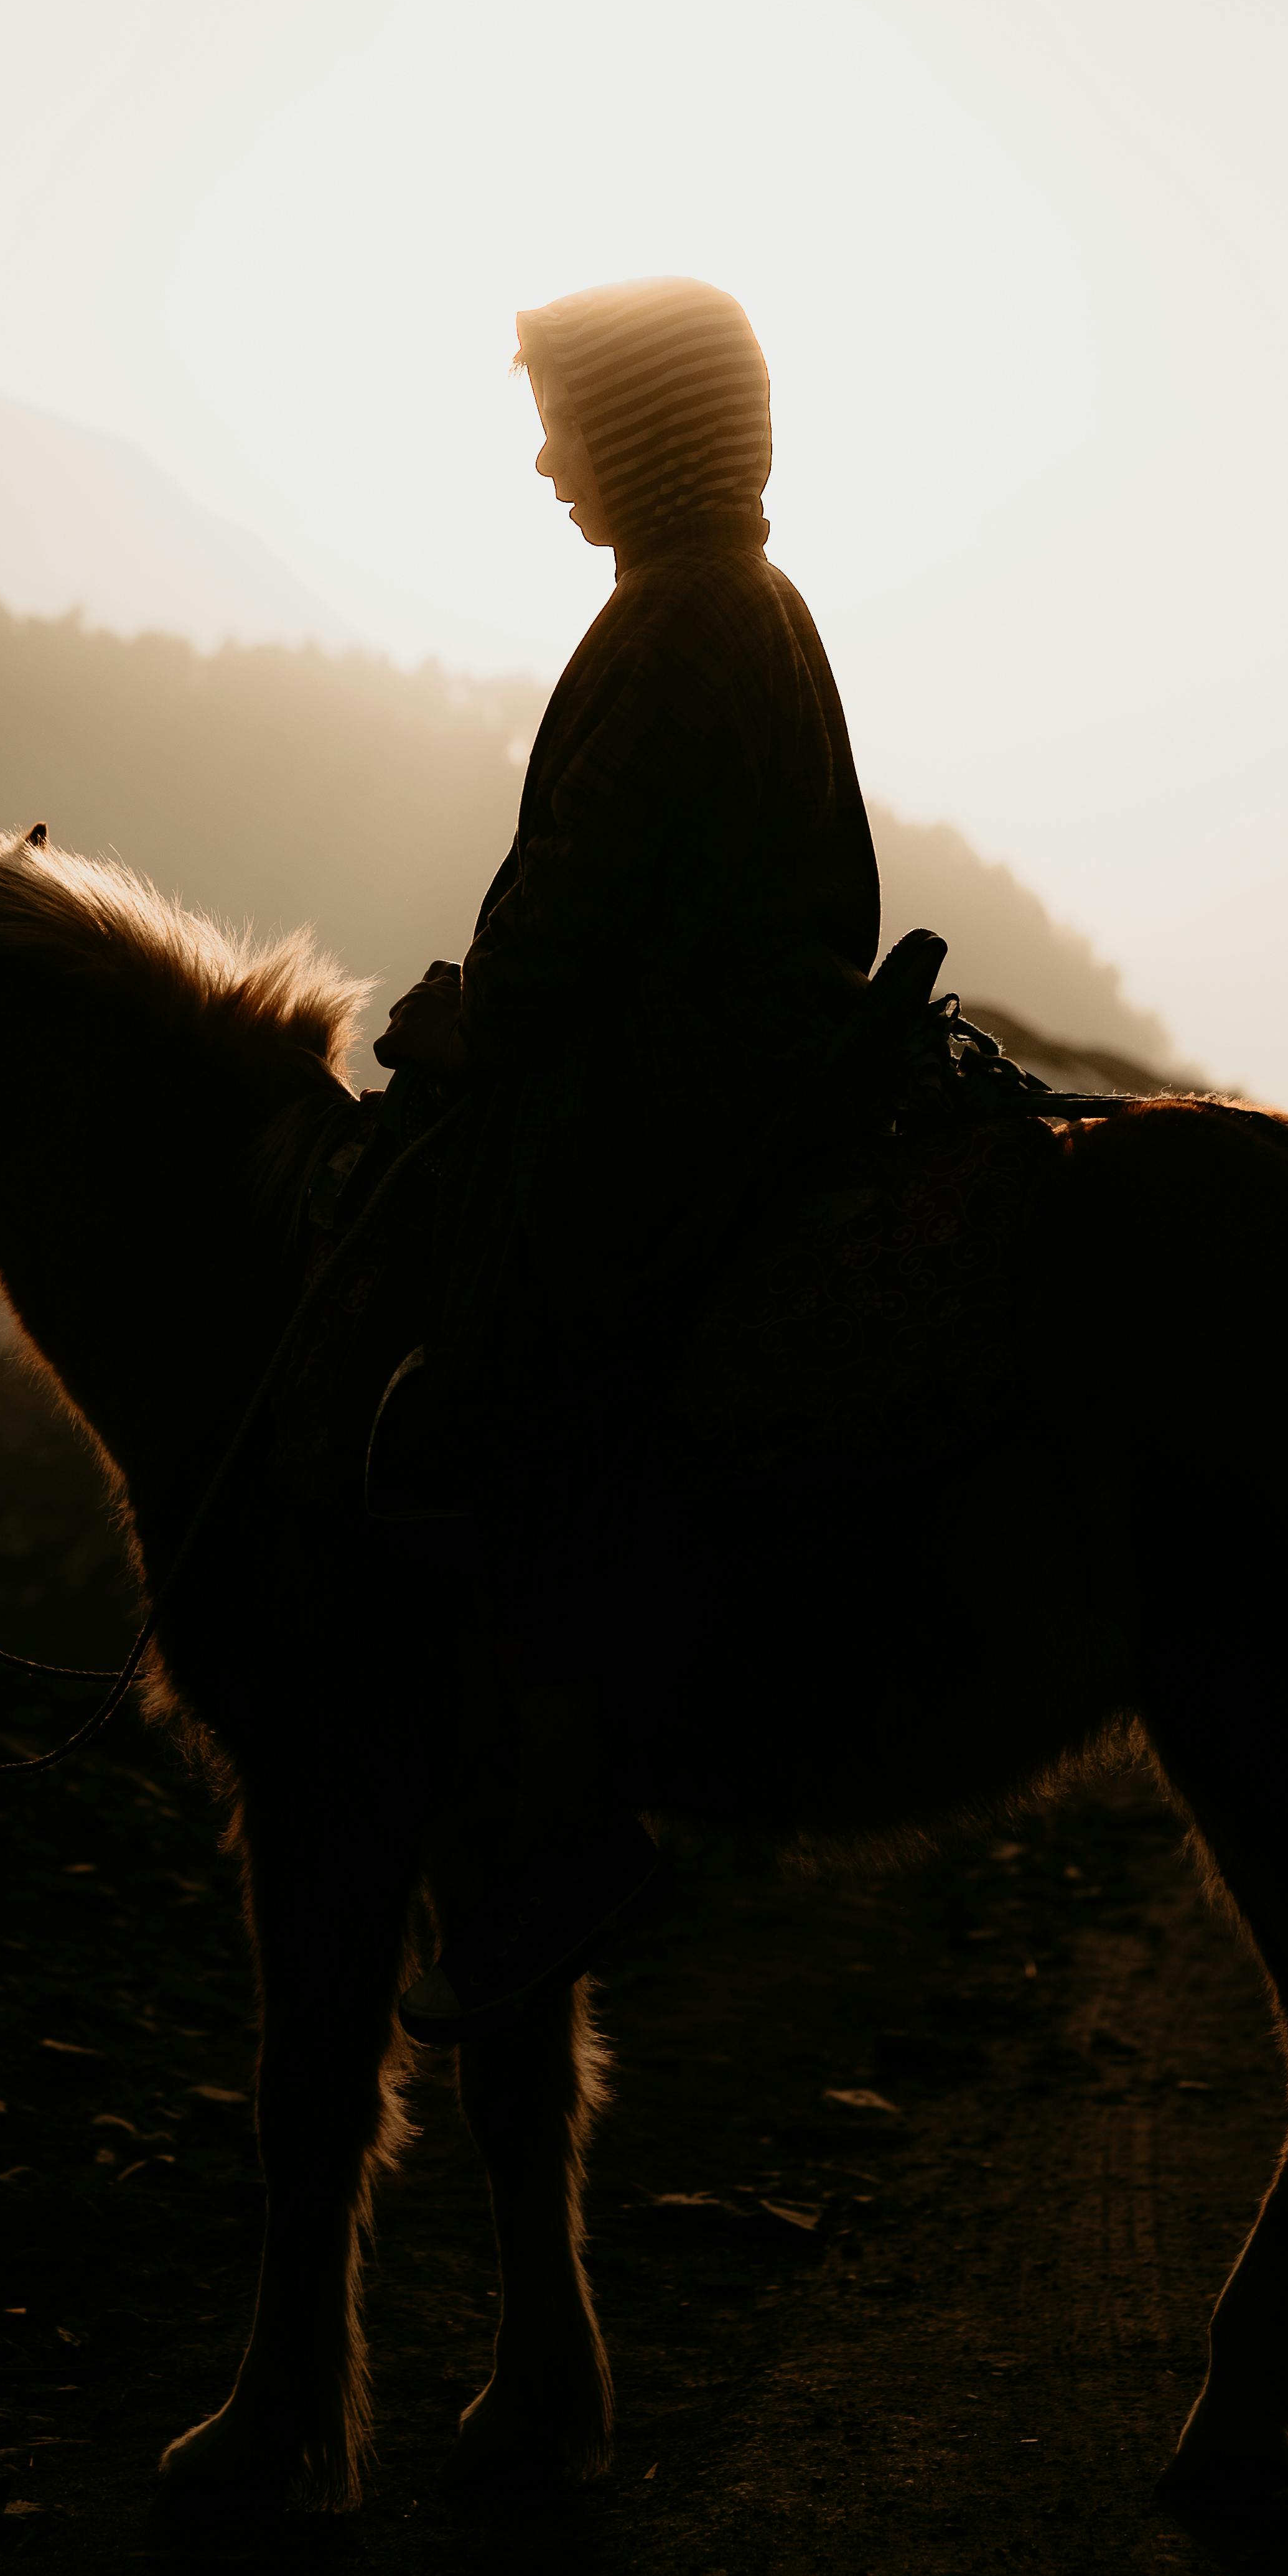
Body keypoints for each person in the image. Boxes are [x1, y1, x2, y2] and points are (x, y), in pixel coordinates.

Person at [376, 275, 880, 2037]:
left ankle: (573, 1827)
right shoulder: (752, 604)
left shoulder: (671, 622)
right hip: (760, 1061)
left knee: (483, 1394)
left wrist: (463, 1021)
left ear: (648, 440)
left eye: (566, 423)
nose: (541, 463)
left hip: (676, 1093)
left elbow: (567, 921)